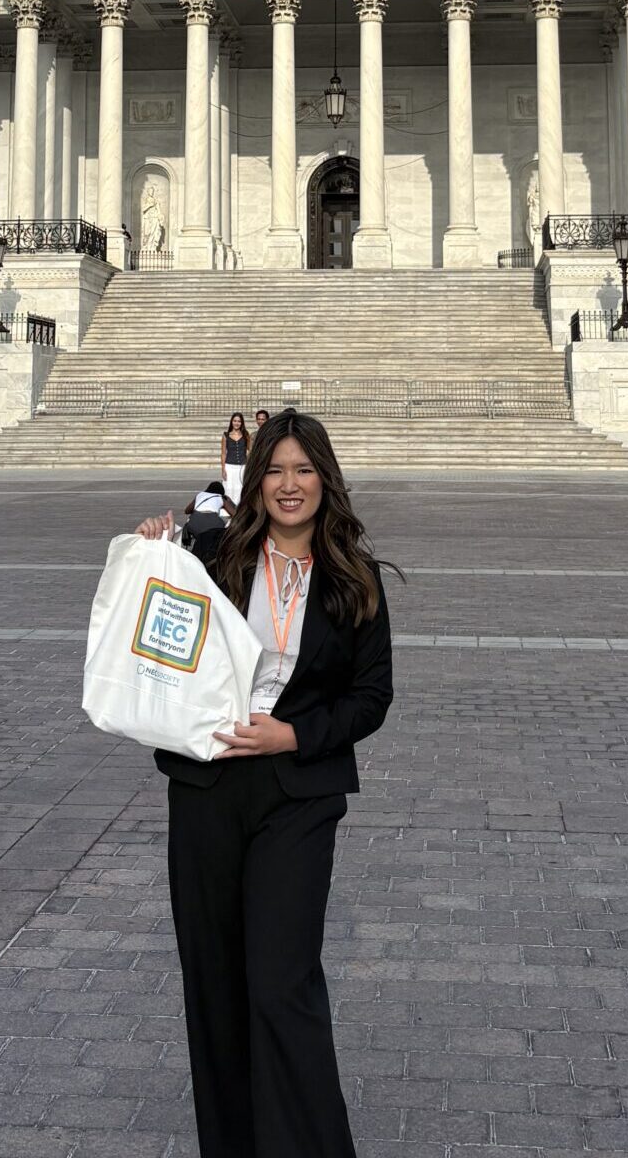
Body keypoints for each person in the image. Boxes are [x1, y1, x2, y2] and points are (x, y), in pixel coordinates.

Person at [136, 408, 393, 1157]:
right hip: (209, 790)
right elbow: (158, 628)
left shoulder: (354, 577)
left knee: (281, 986)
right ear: (256, 479)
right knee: (214, 987)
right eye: (275, 470)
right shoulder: (216, 555)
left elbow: (371, 697)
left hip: (297, 795)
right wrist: (157, 550)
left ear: (325, 480)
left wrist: (294, 733)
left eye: (303, 470)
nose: (289, 485)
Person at [219, 410, 249, 508]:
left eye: (239, 421)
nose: (237, 423)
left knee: (240, 487)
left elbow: (250, 450)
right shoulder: (226, 435)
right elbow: (223, 453)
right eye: (235, 421)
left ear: (242, 423)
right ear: (231, 422)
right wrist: (223, 469)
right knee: (229, 487)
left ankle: (240, 508)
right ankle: (228, 507)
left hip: (242, 466)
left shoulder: (245, 435)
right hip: (229, 466)